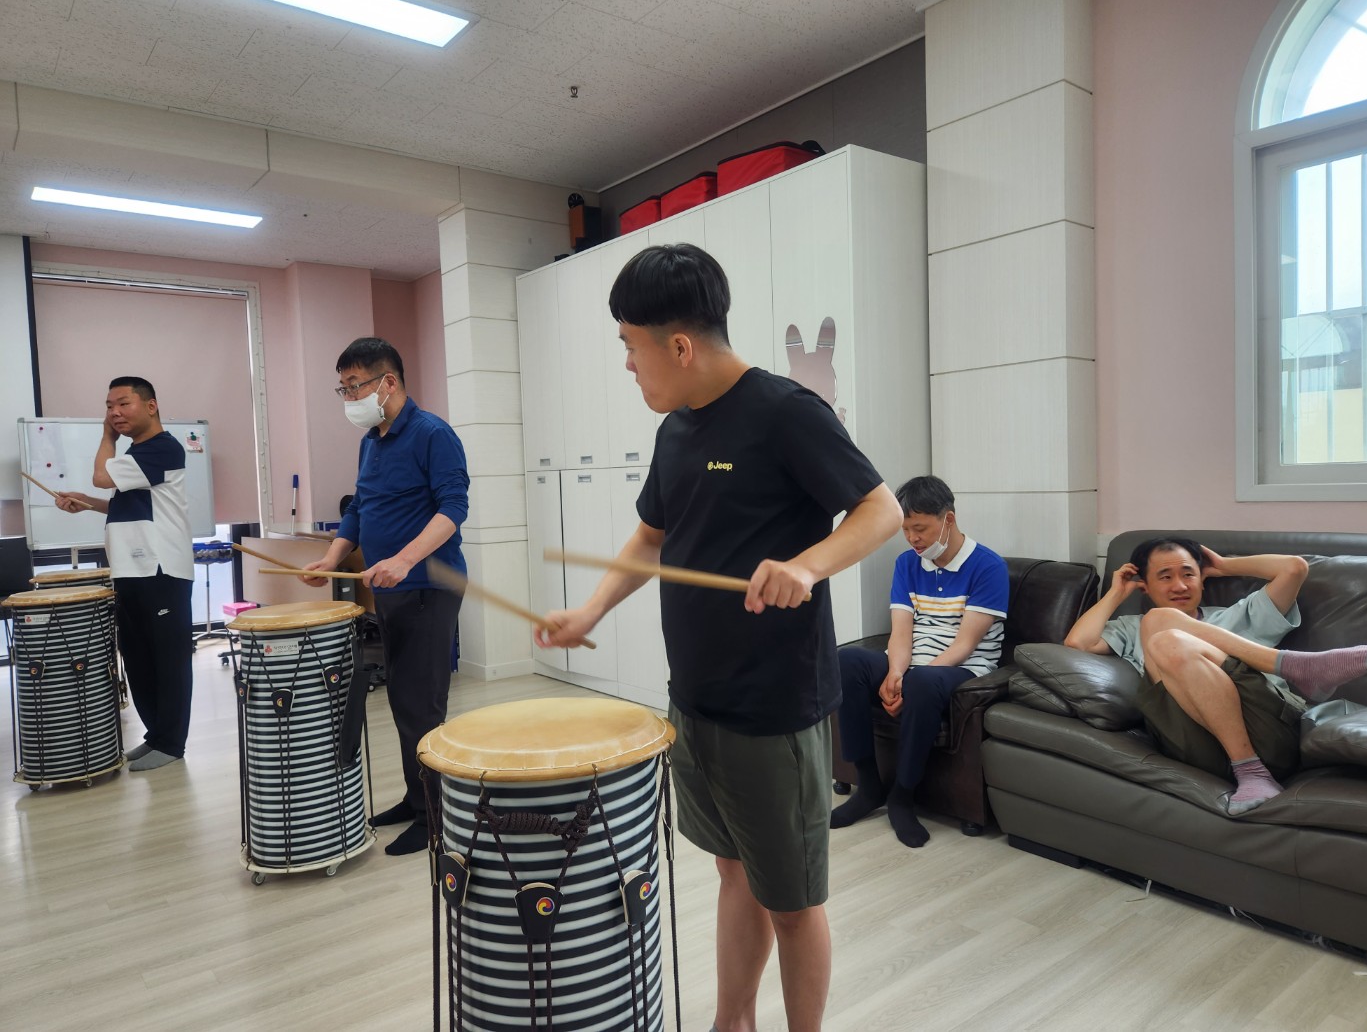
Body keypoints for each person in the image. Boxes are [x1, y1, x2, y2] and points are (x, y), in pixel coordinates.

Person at [534, 243, 903, 1032]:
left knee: (793, 902)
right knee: (735, 872)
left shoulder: (785, 412)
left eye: (630, 346)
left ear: (678, 346)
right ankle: (732, 1021)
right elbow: (649, 539)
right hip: (694, 702)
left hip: (773, 710)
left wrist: (807, 565)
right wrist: (591, 612)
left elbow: (882, 510)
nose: (626, 364)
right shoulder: (676, 430)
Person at [1064, 536, 1367, 815]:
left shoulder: (1239, 615)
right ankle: (1293, 666)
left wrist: (1224, 565)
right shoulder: (1130, 627)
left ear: (1202, 578)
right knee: (1160, 627)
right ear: (1145, 587)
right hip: (1191, 741)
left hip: (1268, 732)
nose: (1180, 585)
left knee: (1161, 629)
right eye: (1165, 577)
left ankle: (1251, 767)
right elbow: (1078, 643)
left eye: (1188, 574)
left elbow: (1294, 568)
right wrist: (1116, 593)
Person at [300, 338, 469, 856]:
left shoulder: (432, 434)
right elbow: (360, 507)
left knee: (422, 706)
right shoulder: (371, 440)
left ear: (387, 382)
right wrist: (333, 558)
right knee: (401, 700)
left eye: (355, 386)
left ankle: (435, 817)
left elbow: (453, 509)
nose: (348, 397)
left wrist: (404, 559)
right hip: (391, 591)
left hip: (428, 587)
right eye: (343, 388)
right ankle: (416, 799)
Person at [830, 475, 1008, 847]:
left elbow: (965, 645)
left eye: (920, 528)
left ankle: (902, 796)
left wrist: (910, 681)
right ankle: (869, 786)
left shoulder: (988, 566)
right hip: (913, 664)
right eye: (905, 529)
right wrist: (895, 673)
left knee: (923, 682)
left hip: (963, 668)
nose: (913, 538)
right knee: (846, 661)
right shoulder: (907, 564)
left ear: (948, 519)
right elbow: (901, 631)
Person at [55, 377, 194, 772]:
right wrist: (88, 503)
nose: (114, 413)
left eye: (122, 403)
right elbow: (129, 503)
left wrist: (107, 437)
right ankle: (156, 736)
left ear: (151, 406)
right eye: (108, 406)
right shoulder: (138, 455)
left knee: (168, 660)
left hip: (161, 569)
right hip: (131, 570)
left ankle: (172, 743)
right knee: (138, 658)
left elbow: (101, 476)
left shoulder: (162, 447)